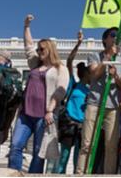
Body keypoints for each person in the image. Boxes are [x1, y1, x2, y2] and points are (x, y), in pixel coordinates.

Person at [8, 14, 69, 173]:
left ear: (50, 50)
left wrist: (50, 110)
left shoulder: (60, 69)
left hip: (44, 116)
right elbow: (28, 46)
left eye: (42, 49)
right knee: (15, 146)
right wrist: (26, 26)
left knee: (37, 153)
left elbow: (60, 90)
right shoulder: (35, 64)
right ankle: (12, 174)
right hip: (25, 113)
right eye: (38, 49)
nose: (38, 51)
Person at [76, 27, 121, 174]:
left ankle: (108, 174)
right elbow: (93, 76)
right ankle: (81, 173)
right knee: (87, 143)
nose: (116, 37)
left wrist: (115, 75)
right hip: (94, 103)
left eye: (119, 35)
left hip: (113, 105)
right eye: (113, 35)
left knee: (111, 145)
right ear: (105, 39)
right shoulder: (94, 56)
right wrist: (106, 60)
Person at [49, 30, 89, 173]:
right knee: (64, 156)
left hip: (83, 126)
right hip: (70, 124)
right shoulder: (74, 84)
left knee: (79, 158)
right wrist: (78, 44)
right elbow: (69, 61)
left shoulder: (92, 90)